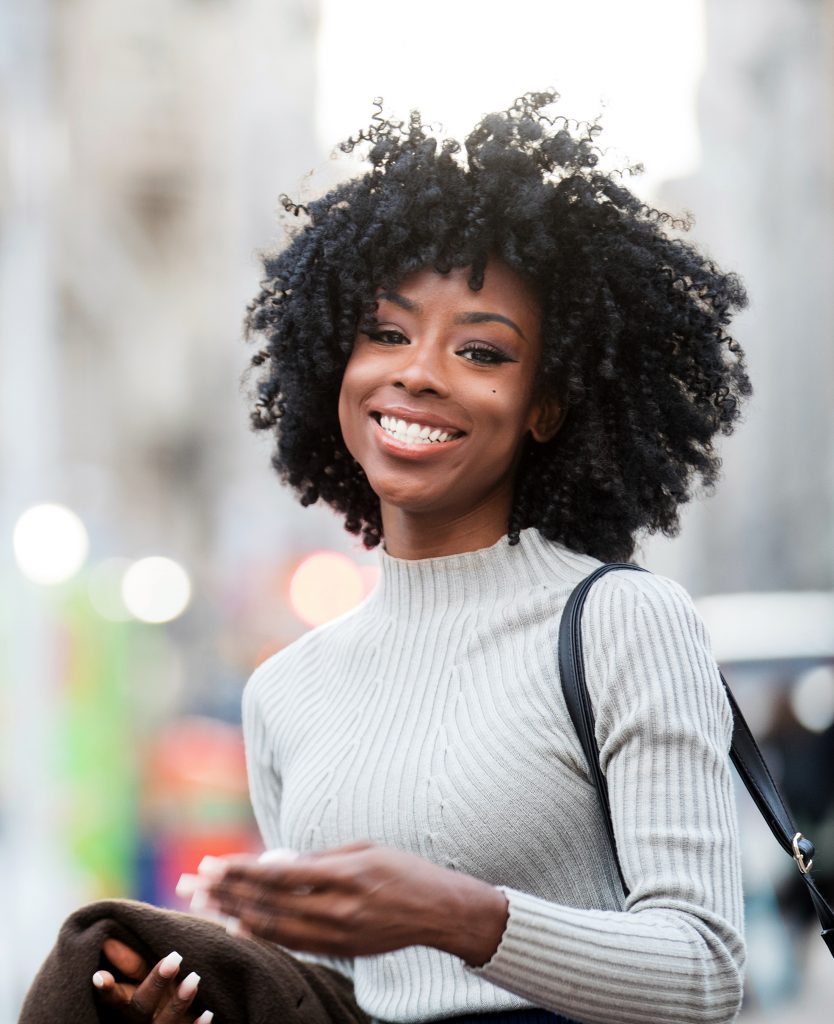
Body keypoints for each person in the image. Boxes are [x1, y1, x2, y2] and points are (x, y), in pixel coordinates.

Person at [89, 90, 752, 1024]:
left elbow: (707, 974)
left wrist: (460, 916)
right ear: (333, 363)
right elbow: (336, 1001)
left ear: (546, 407)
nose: (419, 371)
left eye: (481, 350)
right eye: (388, 333)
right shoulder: (285, 691)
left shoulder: (619, 621)